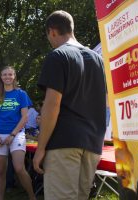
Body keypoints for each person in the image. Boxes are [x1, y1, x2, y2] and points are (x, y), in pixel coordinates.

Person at [33, 10, 106, 200]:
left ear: (52, 32)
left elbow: (52, 105)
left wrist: (40, 148)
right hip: (93, 144)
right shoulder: (99, 60)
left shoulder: (58, 55)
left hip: (64, 143)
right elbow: (104, 102)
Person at [0, 66, 36, 200]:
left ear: (14, 76)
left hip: (16, 134)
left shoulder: (21, 94)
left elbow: (25, 117)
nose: (7, 77)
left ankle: (32, 197)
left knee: (19, 168)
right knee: (1, 171)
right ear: (1, 77)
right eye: (4, 74)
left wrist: (12, 135)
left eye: (10, 74)